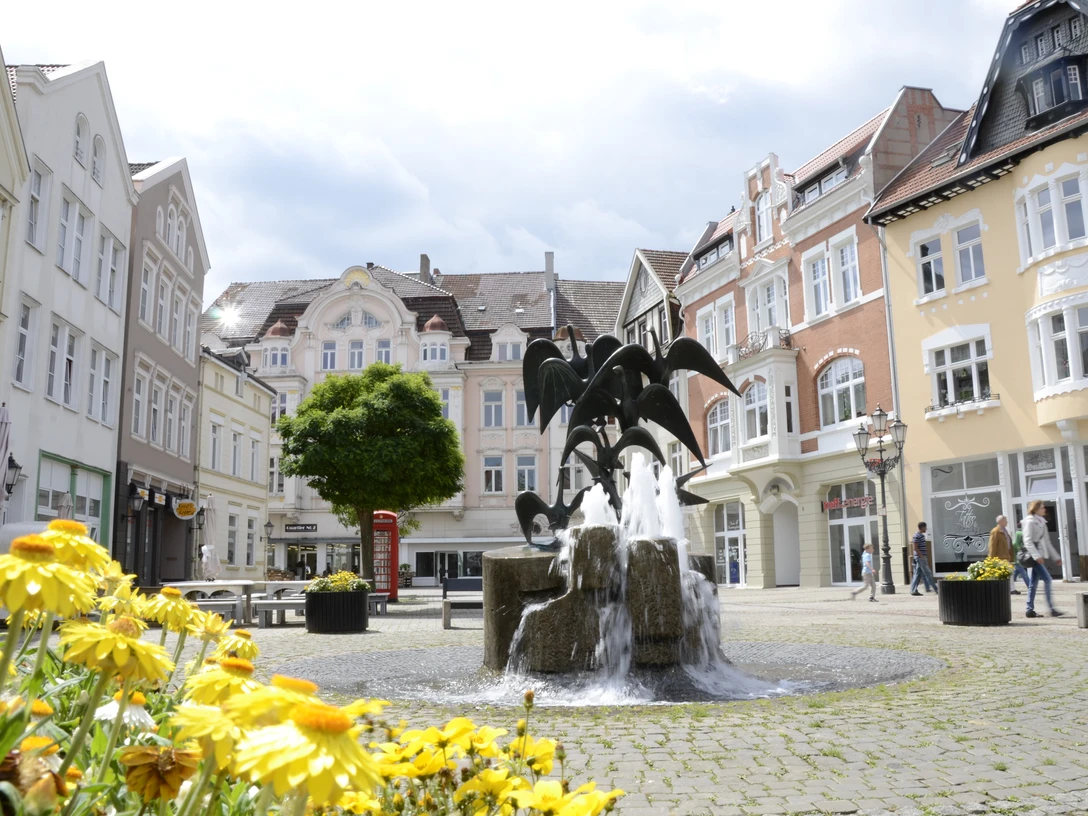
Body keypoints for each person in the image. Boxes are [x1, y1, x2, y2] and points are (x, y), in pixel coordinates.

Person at [1021, 500, 1063, 618]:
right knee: (1048, 579)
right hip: (1033, 556)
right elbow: (1027, 541)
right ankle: (1051, 609)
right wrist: (1037, 556)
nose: (1044, 509)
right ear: (1036, 509)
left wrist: (1056, 558)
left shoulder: (1042, 522)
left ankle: (1029, 609)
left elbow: (1047, 543)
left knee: (1033, 584)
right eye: (1042, 508)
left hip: (1037, 556)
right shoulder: (1029, 521)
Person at [988, 514, 1024, 595]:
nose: (1007, 522)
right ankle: (1008, 589)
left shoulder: (1004, 531)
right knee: (1004, 574)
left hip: (1006, 556)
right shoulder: (995, 531)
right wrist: (991, 559)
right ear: (1001, 521)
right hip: (1000, 557)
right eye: (1005, 520)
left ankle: (1011, 589)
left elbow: (1009, 544)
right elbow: (992, 546)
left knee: (1010, 573)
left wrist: (1011, 556)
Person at [910, 522, 938, 595]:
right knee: (928, 573)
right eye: (925, 527)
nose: (926, 529)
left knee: (917, 574)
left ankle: (913, 590)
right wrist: (921, 556)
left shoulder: (921, 535)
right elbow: (915, 547)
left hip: (921, 557)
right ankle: (936, 589)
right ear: (922, 527)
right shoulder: (917, 535)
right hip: (920, 558)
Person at [1010, 528, 1032, 593]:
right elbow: (1013, 554)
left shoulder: (1021, 544)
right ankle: (1030, 586)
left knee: (1015, 573)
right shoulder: (1014, 544)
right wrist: (1014, 561)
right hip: (1016, 562)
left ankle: (1010, 583)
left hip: (1020, 561)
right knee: (1024, 573)